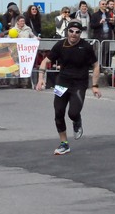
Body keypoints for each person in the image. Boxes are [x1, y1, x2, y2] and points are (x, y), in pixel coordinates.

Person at [35, 20, 101, 155]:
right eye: (71, 31)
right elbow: (45, 61)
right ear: (67, 31)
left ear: (80, 34)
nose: (74, 35)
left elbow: (96, 65)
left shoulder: (86, 47)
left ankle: (77, 120)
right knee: (58, 113)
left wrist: (94, 85)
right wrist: (41, 79)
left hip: (79, 84)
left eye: (77, 32)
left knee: (73, 113)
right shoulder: (60, 45)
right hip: (62, 83)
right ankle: (64, 143)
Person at [90, 0, 115, 68]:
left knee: (105, 52)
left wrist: (112, 23)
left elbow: (112, 27)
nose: (104, 5)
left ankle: (103, 67)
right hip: (99, 37)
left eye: (105, 4)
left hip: (107, 36)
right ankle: (97, 67)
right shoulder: (95, 15)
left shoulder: (108, 14)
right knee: (98, 53)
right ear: (100, 5)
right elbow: (92, 25)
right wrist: (100, 22)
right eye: (103, 4)